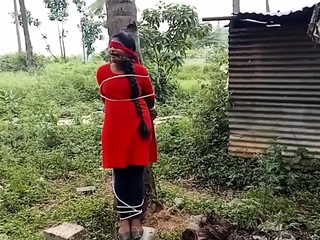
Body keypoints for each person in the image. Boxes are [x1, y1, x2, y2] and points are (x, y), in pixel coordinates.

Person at [95, 31, 158, 240]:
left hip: (139, 128)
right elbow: (105, 100)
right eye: (111, 46)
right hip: (113, 129)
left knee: (136, 173)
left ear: (129, 52)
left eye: (117, 47)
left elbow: (150, 101)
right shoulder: (102, 72)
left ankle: (137, 219)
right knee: (119, 173)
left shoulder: (141, 72)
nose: (112, 50)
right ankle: (124, 219)